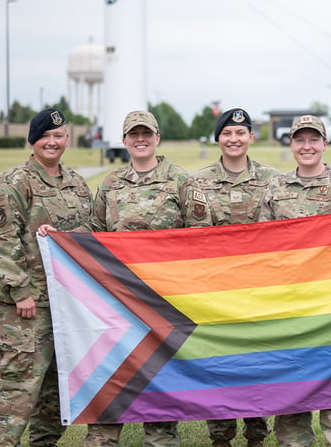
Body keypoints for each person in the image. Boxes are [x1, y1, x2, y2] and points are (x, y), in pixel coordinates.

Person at [81, 110, 209, 447]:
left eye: (146, 134)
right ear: (124, 141)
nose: (141, 139)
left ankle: (161, 438)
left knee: (160, 375)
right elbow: (94, 229)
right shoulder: (111, 183)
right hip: (117, 299)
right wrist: (59, 237)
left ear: (157, 138)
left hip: (164, 299)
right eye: (133, 134)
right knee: (113, 372)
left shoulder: (181, 180)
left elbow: (200, 234)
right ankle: (103, 437)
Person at [258, 114, 331, 447]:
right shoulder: (276, 188)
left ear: (324, 143)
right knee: (292, 377)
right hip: (289, 303)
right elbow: (262, 245)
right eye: (300, 140)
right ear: (291, 144)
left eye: (313, 140)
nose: (307, 146)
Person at [0, 108, 93, 447]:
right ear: (33, 140)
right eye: (45, 136)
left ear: (67, 139)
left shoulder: (76, 183)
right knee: (18, 387)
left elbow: (90, 230)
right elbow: (1, 240)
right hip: (27, 308)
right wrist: (20, 292)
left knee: (55, 388)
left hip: (67, 303)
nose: (52, 142)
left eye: (58, 136)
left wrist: (68, 233)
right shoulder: (14, 182)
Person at [194, 107, 277, 447]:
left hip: (258, 289)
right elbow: (192, 233)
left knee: (256, 361)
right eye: (227, 133)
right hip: (215, 289)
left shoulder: (273, 179)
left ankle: (257, 432)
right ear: (219, 139)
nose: (234, 139)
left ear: (250, 137)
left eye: (240, 133)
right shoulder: (198, 182)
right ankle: (220, 434)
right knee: (220, 362)